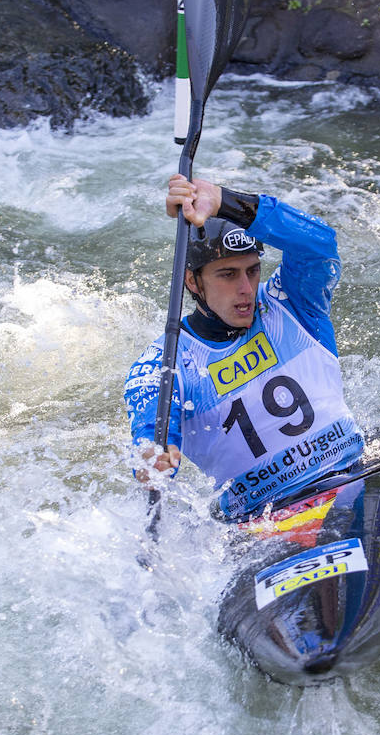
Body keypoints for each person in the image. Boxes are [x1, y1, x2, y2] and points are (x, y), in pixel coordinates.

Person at [125, 174, 365, 520]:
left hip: (350, 476)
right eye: (227, 274)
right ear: (192, 281)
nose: (246, 288)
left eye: (252, 271)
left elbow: (319, 243)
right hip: (260, 521)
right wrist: (154, 456)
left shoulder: (292, 303)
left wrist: (224, 200)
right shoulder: (164, 364)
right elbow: (151, 428)